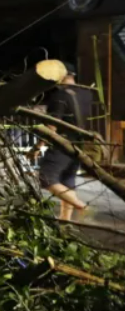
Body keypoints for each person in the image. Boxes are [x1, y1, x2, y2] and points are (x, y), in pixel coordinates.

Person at [39, 67, 91, 220]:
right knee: (67, 181)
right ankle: (65, 221)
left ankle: (81, 205)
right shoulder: (87, 94)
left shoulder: (60, 96)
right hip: (78, 143)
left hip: (62, 143)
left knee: (45, 177)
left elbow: (52, 125)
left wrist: (39, 145)